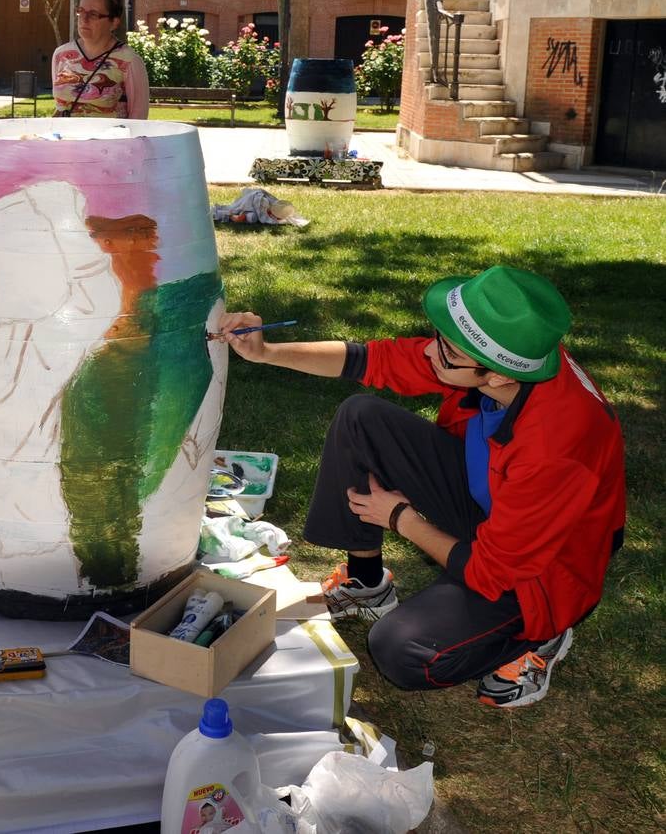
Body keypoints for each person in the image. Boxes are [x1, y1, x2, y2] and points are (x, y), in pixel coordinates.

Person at [216, 266, 624, 709]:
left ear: (498, 377)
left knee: (401, 650)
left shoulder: (556, 447)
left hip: (546, 570)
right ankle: (366, 583)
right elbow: (373, 360)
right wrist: (266, 352)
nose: (430, 351)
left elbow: (492, 570)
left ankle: (541, 636)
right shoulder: (513, 354)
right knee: (361, 419)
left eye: (446, 351)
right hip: (496, 502)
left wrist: (400, 519)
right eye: (439, 338)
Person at [50, 0, 149, 119]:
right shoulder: (61, 55)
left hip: (110, 134)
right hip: (64, 133)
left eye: (93, 14)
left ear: (114, 22)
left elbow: (138, 119)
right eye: (81, 11)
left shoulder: (130, 61)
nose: (84, 19)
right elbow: (59, 107)